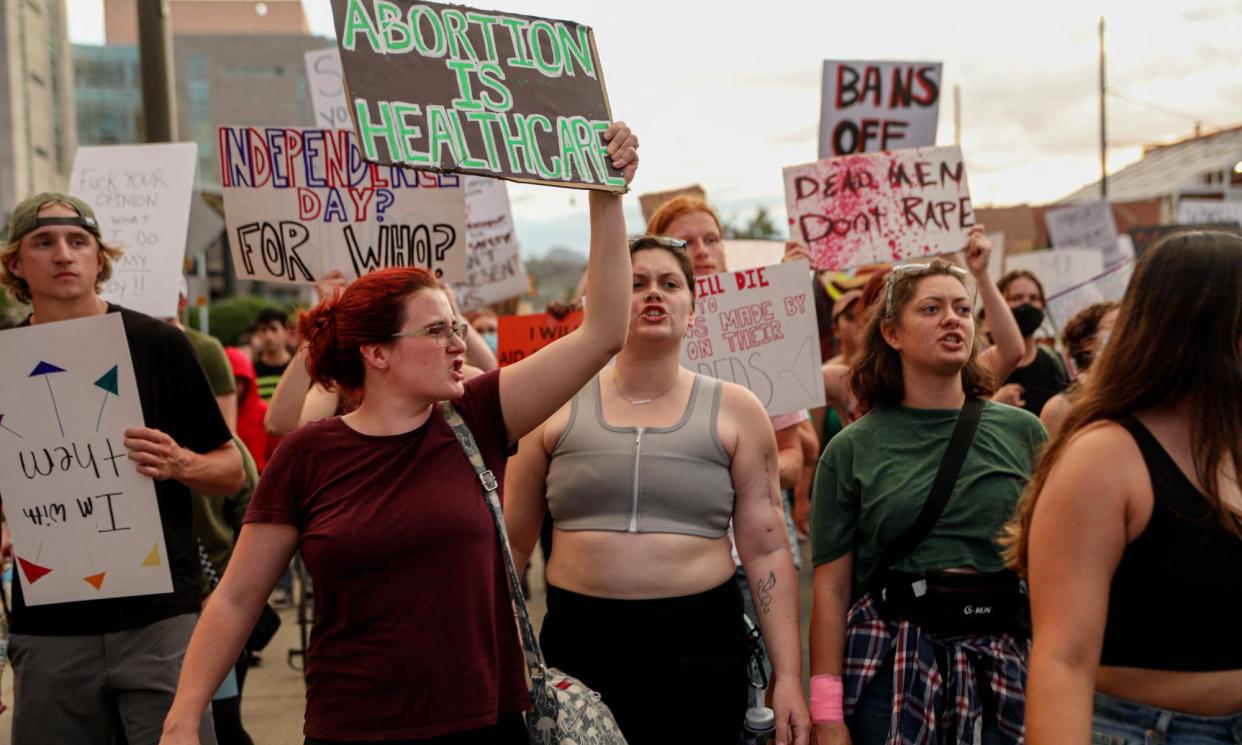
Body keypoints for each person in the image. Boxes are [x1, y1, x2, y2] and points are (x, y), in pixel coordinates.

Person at [159, 122, 639, 745]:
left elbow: (602, 331)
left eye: (458, 326)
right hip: (352, 726)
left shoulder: (478, 415)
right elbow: (237, 597)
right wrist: (181, 719)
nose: (459, 343)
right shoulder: (309, 453)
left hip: (483, 724)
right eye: (437, 330)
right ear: (377, 354)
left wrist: (605, 195)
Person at [504, 235, 811, 744]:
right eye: (635, 283)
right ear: (600, 304)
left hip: (701, 647)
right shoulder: (550, 403)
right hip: (579, 646)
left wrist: (790, 679)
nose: (653, 294)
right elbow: (511, 546)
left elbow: (767, 549)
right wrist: (507, 655)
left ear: (693, 311)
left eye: (669, 284)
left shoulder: (738, 410)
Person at [0, 192, 244, 744]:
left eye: (78, 241)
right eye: (43, 242)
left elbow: (231, 471)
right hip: (49, 623)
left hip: (160, 617)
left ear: (99, 258)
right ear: (16, 263)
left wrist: (180, 463)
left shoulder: (158, 344)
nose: (63, 254)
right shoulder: (2, 357)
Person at [1006, 231, 1241, 745]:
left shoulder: (1233, 441)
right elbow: (1062, 661)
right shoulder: (1104, 456)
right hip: (1146, 732)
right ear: (1207, 329)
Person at [809, 259, 1045, 745]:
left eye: (962, 308)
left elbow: (1053, 568)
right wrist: (827, 715)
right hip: (887, 667)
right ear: (892, 334)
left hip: (1005, 666)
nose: (952, 319)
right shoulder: (851, 449)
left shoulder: (1025, 433)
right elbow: (830, 593)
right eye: (932, 308)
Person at [992, 269, 1069, 416]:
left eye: (1034, 298)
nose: (1026, 303)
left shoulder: (1058, 363)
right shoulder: (980, 368)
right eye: (1016, 298)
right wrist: (992, 407)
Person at [1038, 301, 1119, 438]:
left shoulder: (1134, 388)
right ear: (1087, 344)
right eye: (1116, 326)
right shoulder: (1060, 408)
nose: (1128, 332)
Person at [251, 307, 292, 404]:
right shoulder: (251, 372)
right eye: (263, 330)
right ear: (257, 333)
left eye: (274, 329)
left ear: (286, 331)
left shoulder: (298, 369)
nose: (268, 336)